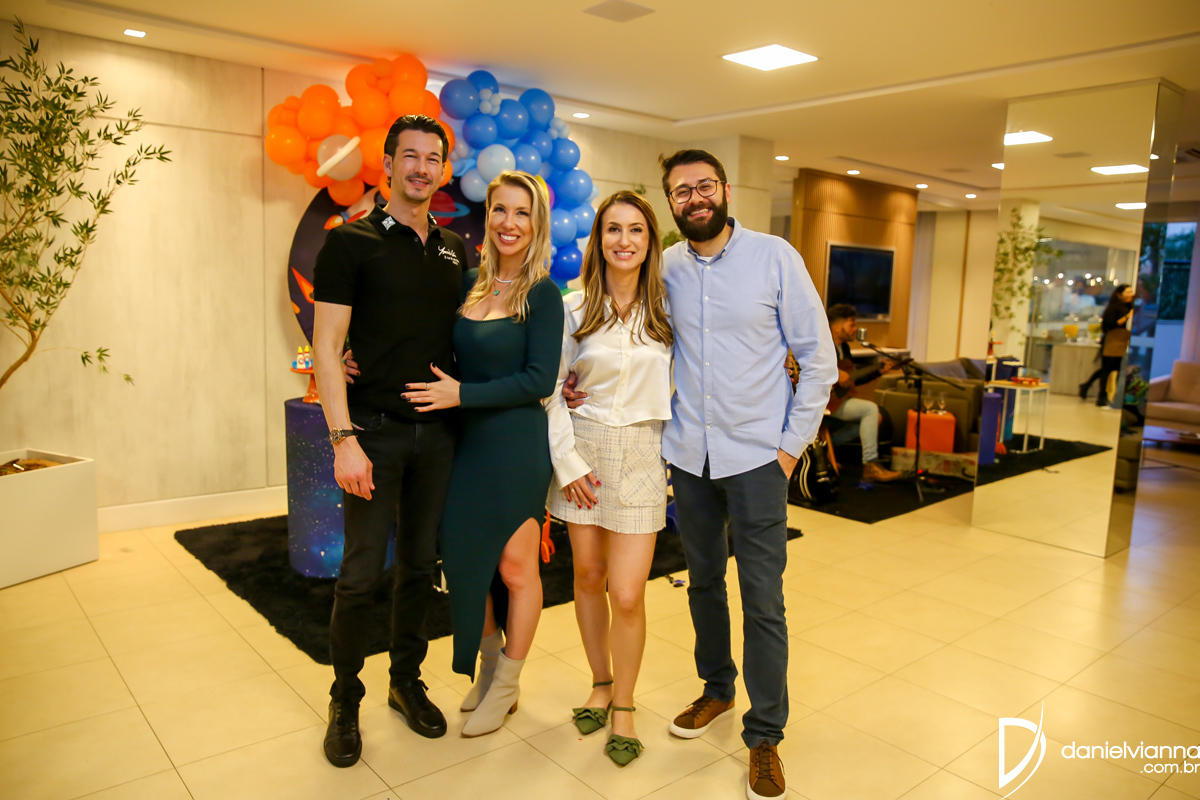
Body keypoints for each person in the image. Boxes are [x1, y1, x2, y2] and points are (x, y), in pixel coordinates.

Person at [569, 150, 837, 799]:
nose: (695, 197)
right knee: (704, 585)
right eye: (681, 191)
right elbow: (628, 338)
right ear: (671, 202)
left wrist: (788, 451)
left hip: (758, 459)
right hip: (688, 458)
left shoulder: (775, 258)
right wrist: (576, 384)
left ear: (724, 190)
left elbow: (819, 361)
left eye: (704, 185)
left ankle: (765, 734)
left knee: (763, 598)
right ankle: (717, 689)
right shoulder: (667, 270)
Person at [311, 115, 465, 766]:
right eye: (411, 156)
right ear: (388, 163)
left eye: (433, 158)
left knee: (420, 568)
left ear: (442, 170)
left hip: (439, 437)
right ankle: (344, 697)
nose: (422, 168)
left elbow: (472, 335)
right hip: (372, 434)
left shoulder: (455, 250)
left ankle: (406, 682)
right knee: (359, 575)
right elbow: (326, 346)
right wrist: (342, 439)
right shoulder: (350, 243)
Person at [402, 170, 564, 738]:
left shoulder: (542, 294)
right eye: (500, 210)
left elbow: (539, 380)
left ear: (536, 224)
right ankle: (490, 670)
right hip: (464, 444)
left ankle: (509, 684)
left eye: (522, 213)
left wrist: (463, 394)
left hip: (516, 446)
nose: (509, 223)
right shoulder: (469, 283)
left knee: (516, 568)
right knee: (467, 560)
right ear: (487, 215)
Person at [544, 191, 673, 766]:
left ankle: (625, 704)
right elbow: (550, 390)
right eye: (613, 229)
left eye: (636, 230)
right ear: (598, 240)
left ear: (650, 242)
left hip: (644, 452)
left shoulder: (669, 313)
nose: (624, 240)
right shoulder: (572, 309)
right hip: (583, 451)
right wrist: (568, 463)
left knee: (627, 592)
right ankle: (601, 683)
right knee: (589, 577)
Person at [825, 304, 901, 482]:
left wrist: (878, 371)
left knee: (877, 417)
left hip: (838, 400)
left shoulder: (844, 349)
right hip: (826, 402)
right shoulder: (823, 347)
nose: (855, 329)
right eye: (851, 325)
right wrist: (835, 373)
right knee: (870, 409)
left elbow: (852, 379)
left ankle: (829, 446)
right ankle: (870, 464)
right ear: (837, 328)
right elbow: (811, 370)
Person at [1079, 284, 1134, 407]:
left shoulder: (1130, 306)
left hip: (1122, 340)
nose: (1130, 295)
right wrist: (1127, 317)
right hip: (1112, 341)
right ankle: (1101, 395)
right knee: (1107, 369)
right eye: (1127, 292)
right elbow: (1109, 325)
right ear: (1119, 294)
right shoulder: (1114, 307)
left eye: (1131, 292)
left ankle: (1087, 386)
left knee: (1113, 368)